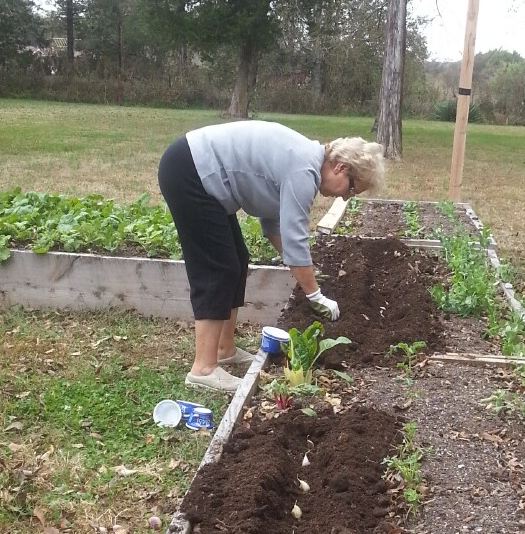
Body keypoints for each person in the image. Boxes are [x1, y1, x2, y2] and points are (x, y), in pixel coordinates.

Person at [157, 120, 386, 394]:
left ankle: (224, 350)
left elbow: (275, 223)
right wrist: (315, 295)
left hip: (195, 170)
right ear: (341, 168)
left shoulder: (304, 162)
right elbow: (295, 238)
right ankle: (203, 370)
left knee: (237, 259)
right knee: (218, 268)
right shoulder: (303, 170)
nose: (346, 198)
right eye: (352, 189)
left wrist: (305, 271)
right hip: (190, 172)